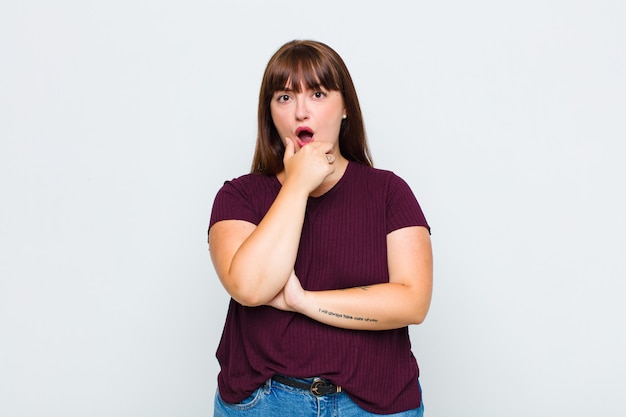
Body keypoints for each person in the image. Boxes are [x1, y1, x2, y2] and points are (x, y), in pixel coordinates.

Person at [208, 40, 433, 416]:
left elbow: (412, 302)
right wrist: (297, 184)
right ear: (270, 112)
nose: (300, 111)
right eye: (284, 97)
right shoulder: (239, 197)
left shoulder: (389, 192)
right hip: (264, 404)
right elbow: (250, 287)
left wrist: (302, 301)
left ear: (345, 106)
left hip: (376, 405)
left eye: (317, 93)